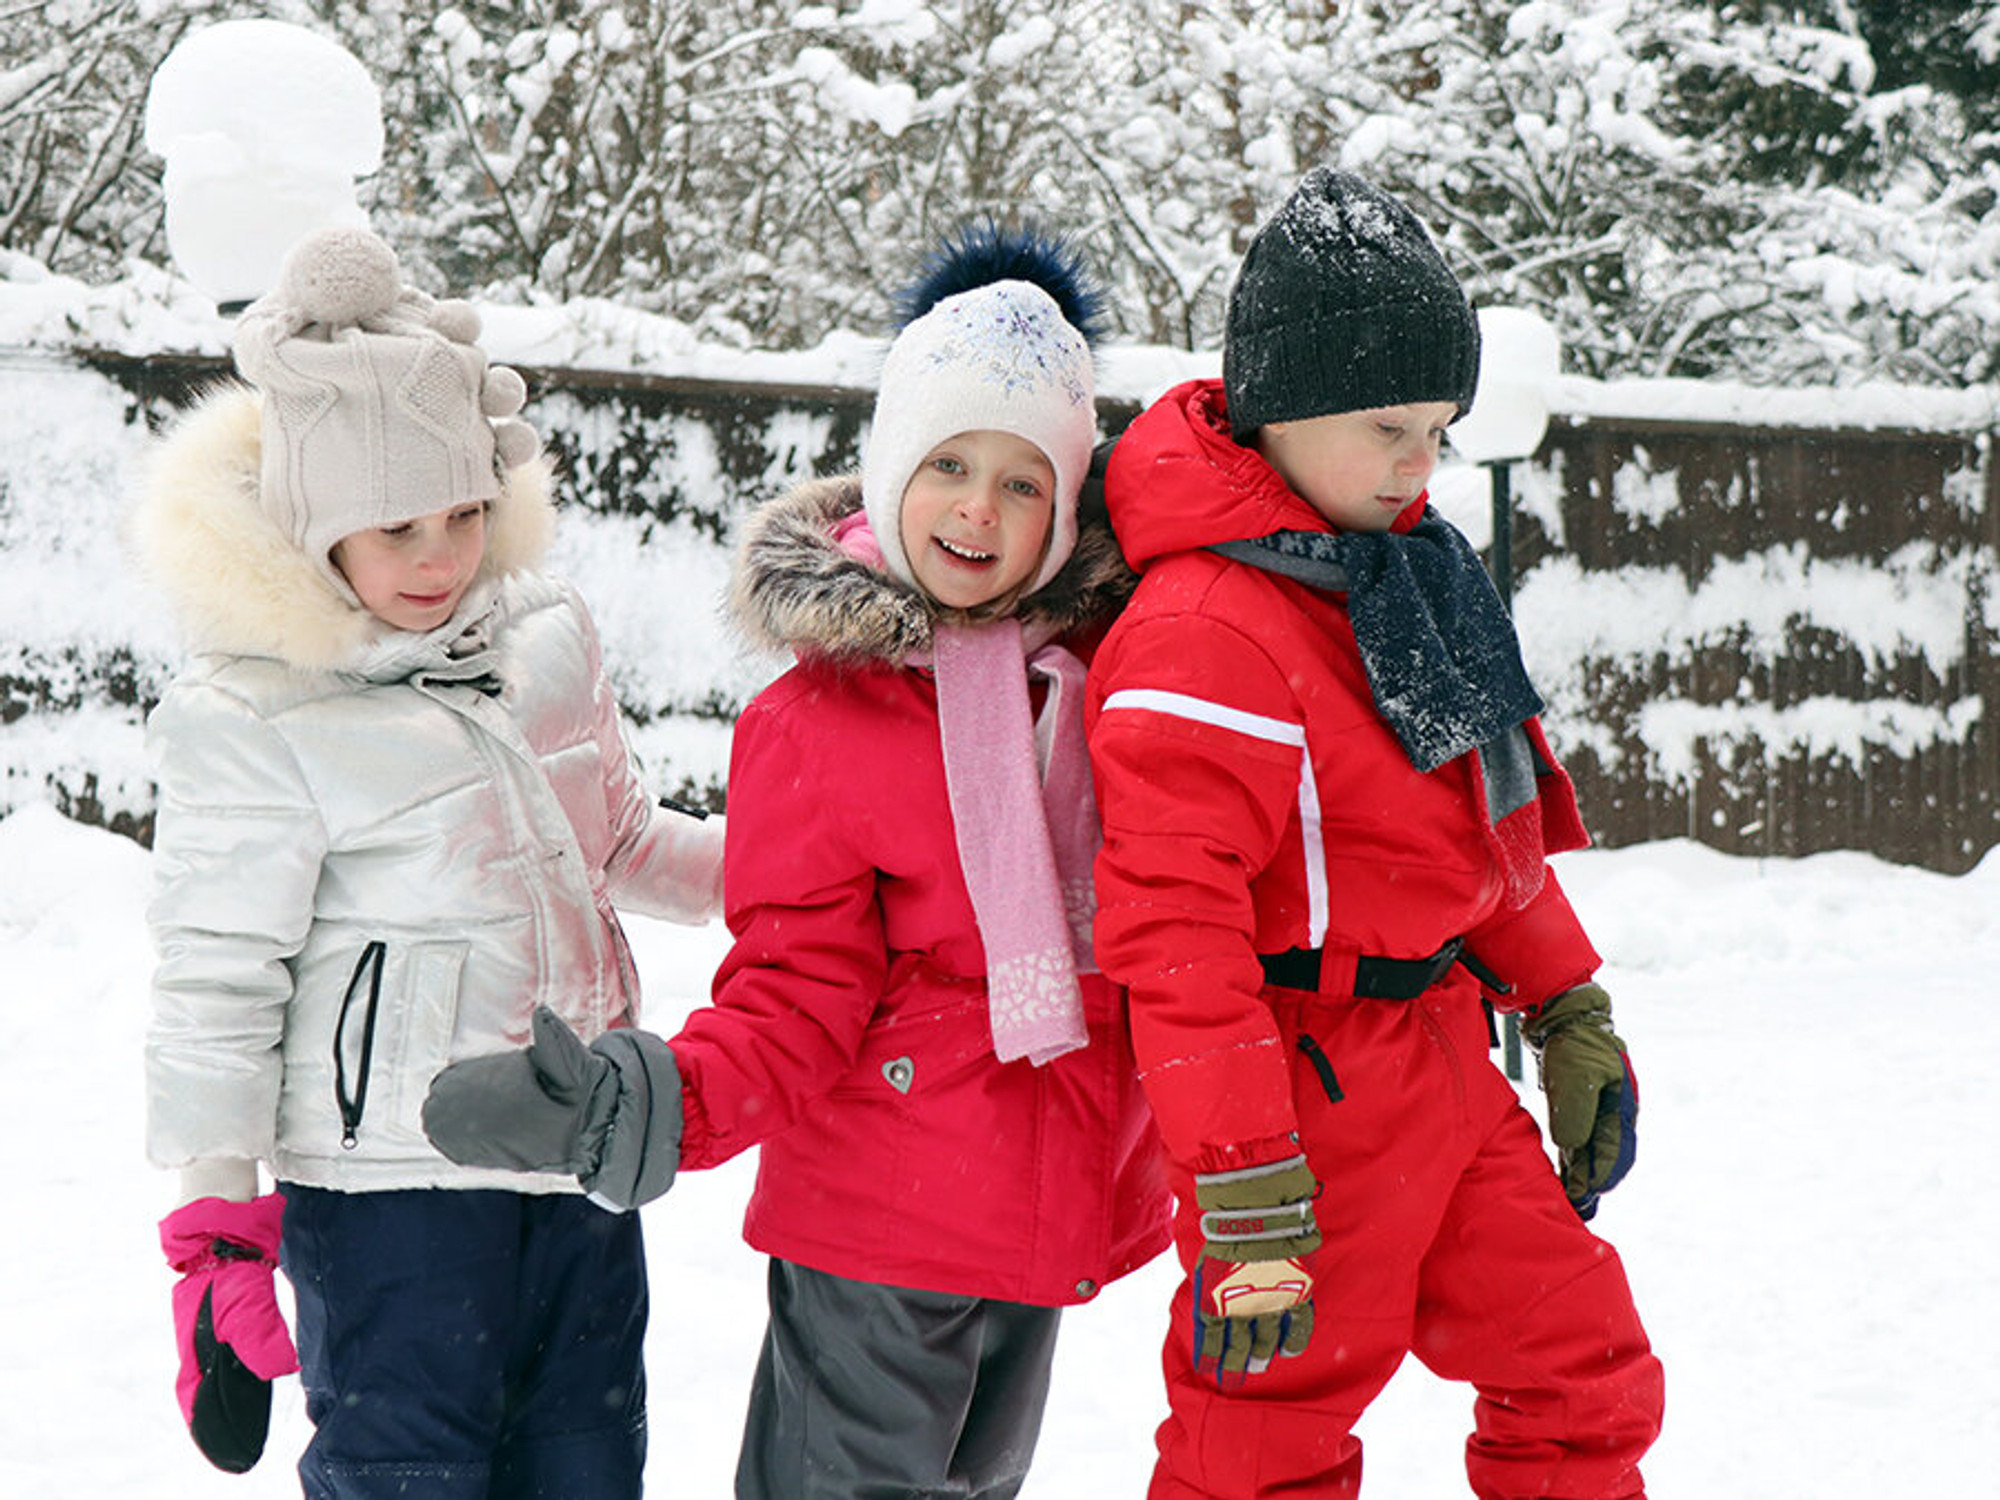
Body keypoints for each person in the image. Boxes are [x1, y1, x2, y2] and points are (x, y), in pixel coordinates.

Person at [422, 225, 1173, 1499]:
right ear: (887, 473)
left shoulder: (1111, 688)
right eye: (947, 465)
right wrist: (646, 1104)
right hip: (883, 1217)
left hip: (1052, 1212)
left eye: (1023, 480)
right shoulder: (818, 720)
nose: (979, 510)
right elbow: (793, 989)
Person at [1082, 167, 1666, 1498]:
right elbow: (1177, 935)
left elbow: (1470, 834)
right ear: (1280, 410)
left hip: (1449, 1059)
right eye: (1390, 425)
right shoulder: (1203, 629)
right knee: (1264, 1450)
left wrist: (1567, 1004)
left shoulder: (1399, 574)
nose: (1422, 463)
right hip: (1303, 1102)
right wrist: (1245, 1183)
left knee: (1584, 1371)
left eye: (1441, 431)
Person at [136, 226, 725, 1497]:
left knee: (584, 1464)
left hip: (579, 1143)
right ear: (313, 523)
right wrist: (216, 1231)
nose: (440, 556)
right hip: (387, 1187)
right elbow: (216, 977)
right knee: (408, 1474)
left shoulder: (547, 638)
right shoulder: (255, 708)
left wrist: (817, 869)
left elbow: (620, 840)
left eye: (463, 512)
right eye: (395, 524)